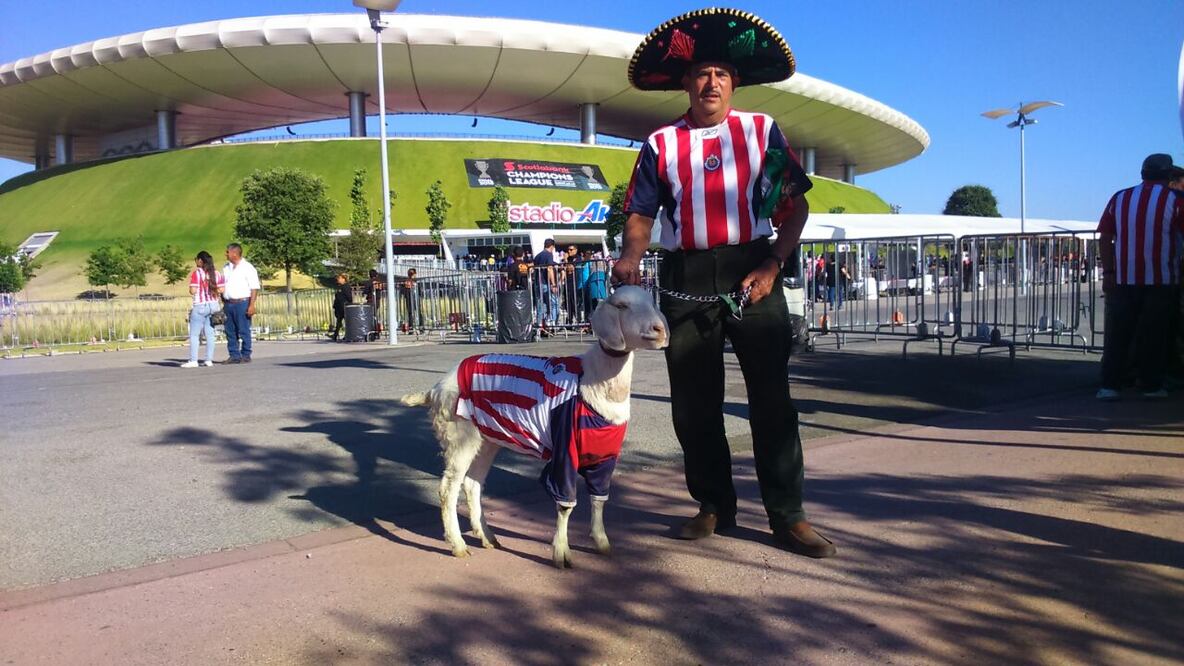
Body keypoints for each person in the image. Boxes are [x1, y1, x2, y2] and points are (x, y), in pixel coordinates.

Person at [613, 8, 835, 558]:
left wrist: (771, 266)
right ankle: (714, 504)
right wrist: (630, 257)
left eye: (721, 73)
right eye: (701, 73)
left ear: (733, 83)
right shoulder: (661, 143)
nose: (711, 82)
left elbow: (795, 210)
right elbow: (640, 214)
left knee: (771, 397)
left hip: (751, 269)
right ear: (685, 83)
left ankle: (788, 515)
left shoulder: (761, 131)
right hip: (686, 275)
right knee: (693, 403)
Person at [1095, 153, 1184, 400]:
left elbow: (1104, 237)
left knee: (1118, 334)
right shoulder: (1175, 200)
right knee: (1154, 334)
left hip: (1123, 278)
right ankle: (1151, 385)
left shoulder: (1120, 197)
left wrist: (1109, 272)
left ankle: (1110, 385)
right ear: (1168, 176)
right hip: (1162, 279)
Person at [183, 250, 225, 367]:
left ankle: (193, 360)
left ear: (200, 261)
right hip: (213, 305)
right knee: (210, 333)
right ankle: (208, 359)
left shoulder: (197, 273)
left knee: (195, 334)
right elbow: (221, 289)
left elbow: (193, 290)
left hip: (200, 305)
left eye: (196, 259)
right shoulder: (216, 273)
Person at [222, 242, 260, 364]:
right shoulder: (226, 267)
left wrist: (251, 305)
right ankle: (234, 354)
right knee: (230, 330)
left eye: (227, 252)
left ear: (234, 253)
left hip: (242, 302)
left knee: (243, 329)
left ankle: (246, 354)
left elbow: (254, 287)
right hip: (229, 302)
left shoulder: (248, 268)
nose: (225, 254)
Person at [533, 238, 560, 333]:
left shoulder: (537, 256)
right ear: (552, 246)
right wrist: (553, 284)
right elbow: (549, 269)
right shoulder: (549, 255)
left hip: (537, 283)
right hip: (545, 283)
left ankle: (540, 325)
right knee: (554, 303)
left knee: (541, 305)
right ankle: (552, 323)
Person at [400, 268, 424, 333]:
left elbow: (402, 291)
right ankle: (420, 328)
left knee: (411, 313)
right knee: (416, 313)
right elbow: (420, 292)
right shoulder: (414, 282)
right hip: (412, 298)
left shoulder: (407, 282)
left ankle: (412, 329)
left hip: (411, 298)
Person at [330, 273, 351, 342]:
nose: (338, 279)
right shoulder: (340, 286)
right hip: (339, 306)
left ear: (343, 279)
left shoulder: (346, 286)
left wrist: (349, 304)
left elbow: (349, 297)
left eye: (339, 278)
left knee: (346, 322)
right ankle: (335, 335)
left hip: (344, 306)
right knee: (339, 322)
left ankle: (346, 335)